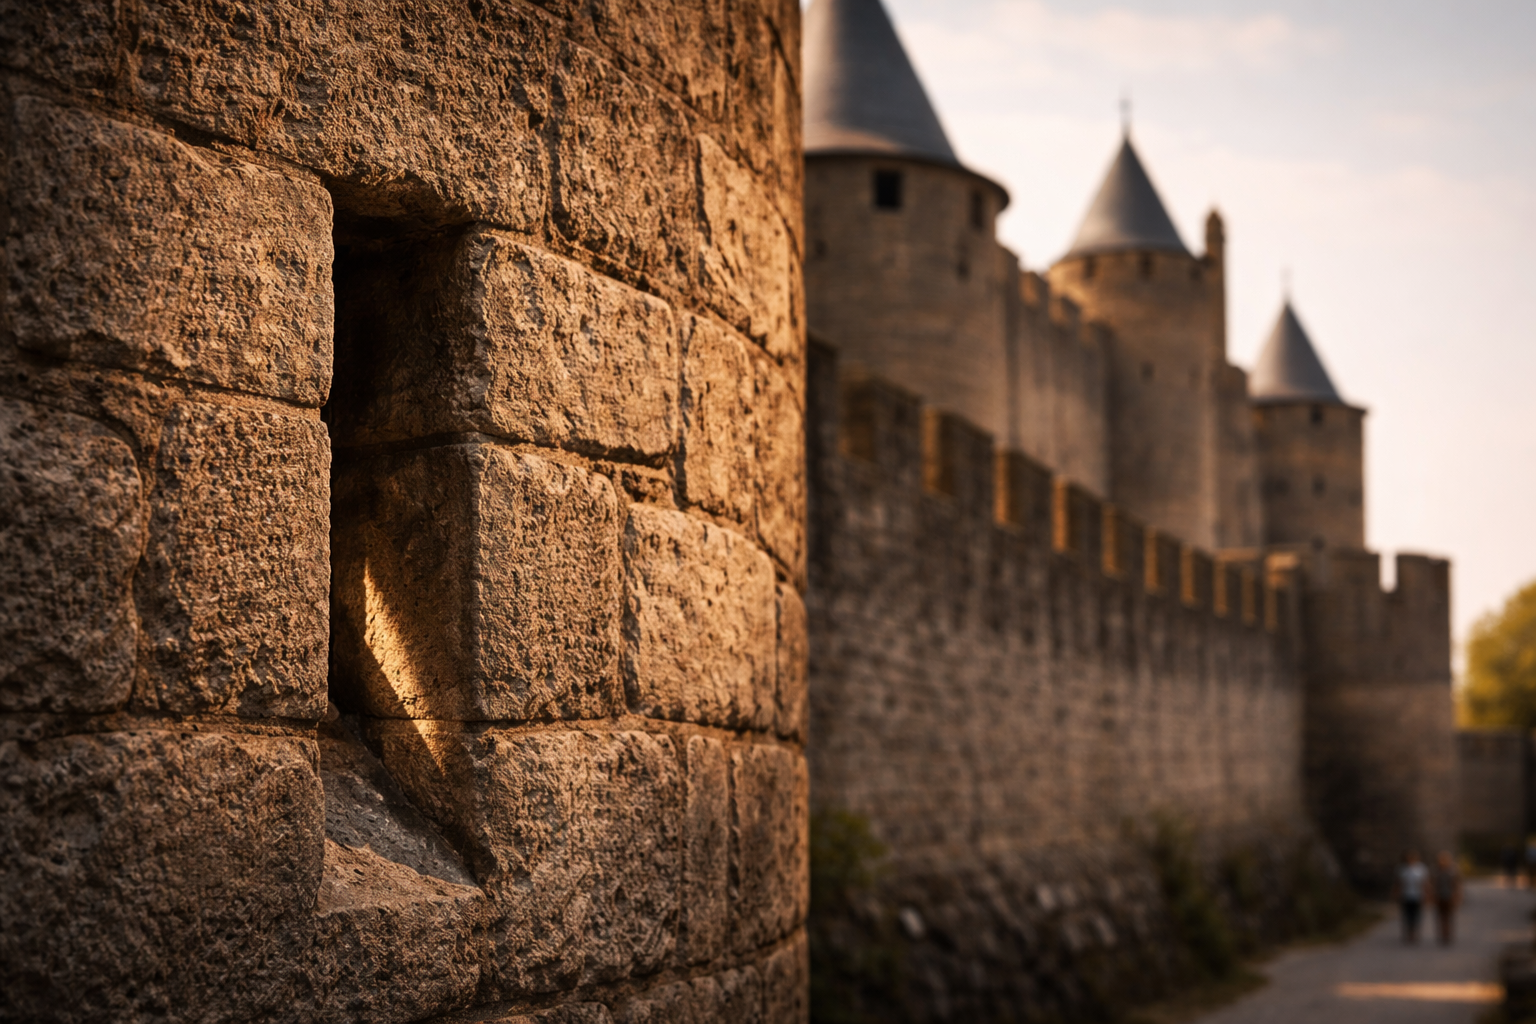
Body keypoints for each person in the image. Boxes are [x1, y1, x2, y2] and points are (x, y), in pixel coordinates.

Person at [1395, 850, 1428, 944]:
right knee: (1407, 916)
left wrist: (1427, 895)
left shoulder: (1421, 868)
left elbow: (1425, 883)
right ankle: (1408, 934)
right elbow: (1399, 883)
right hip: (1406, 895)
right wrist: (1397, 894)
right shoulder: (1402, 869)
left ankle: (1415, 934)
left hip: (1418, 895)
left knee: (1416, 916)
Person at [1431, 851, 1462, 945]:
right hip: (1439, 897)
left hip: (1449, 897)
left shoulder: (1452, 872)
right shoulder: (1436, 871)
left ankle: (1448, 935)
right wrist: (1432, 896)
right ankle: (1442, 934)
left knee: (1449, 917)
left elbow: (1456, 885)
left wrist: (1457, 897)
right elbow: (1433, 885)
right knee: (1440, 917)